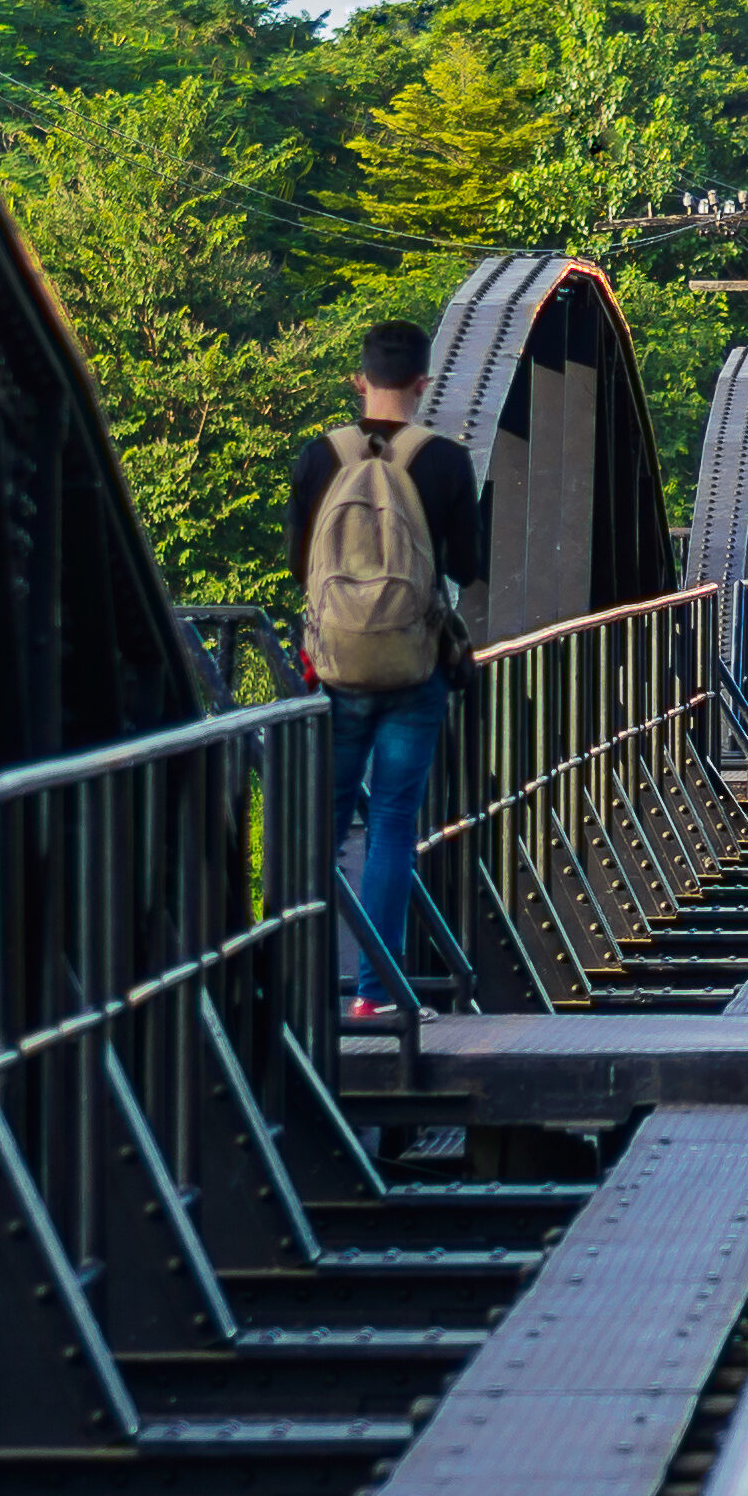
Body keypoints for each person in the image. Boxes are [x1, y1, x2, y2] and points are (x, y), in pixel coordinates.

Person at [287, 323, 492, 1031]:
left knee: (317, 825)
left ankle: (291, 990)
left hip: (334, 671)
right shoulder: (443, 461)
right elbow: (465, 565)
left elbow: (296, 564)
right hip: (413, 667)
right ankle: (375, 992)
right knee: (392, 827)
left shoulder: (322, 456)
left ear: (359, 379)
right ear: (422, 385)